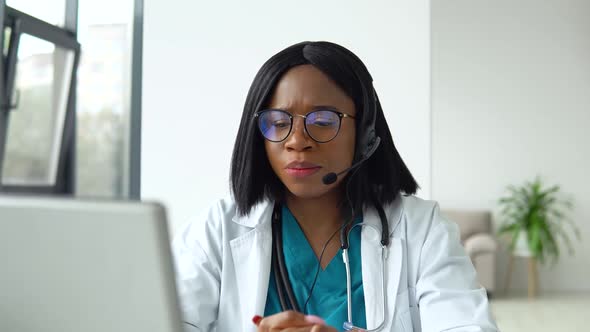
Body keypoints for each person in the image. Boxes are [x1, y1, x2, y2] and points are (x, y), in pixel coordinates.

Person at [172, 41, 498, 332]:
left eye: (324, 122)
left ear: (366, 134)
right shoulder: (214, 232)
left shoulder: (422, 230)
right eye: (278, 123)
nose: (297, 141)